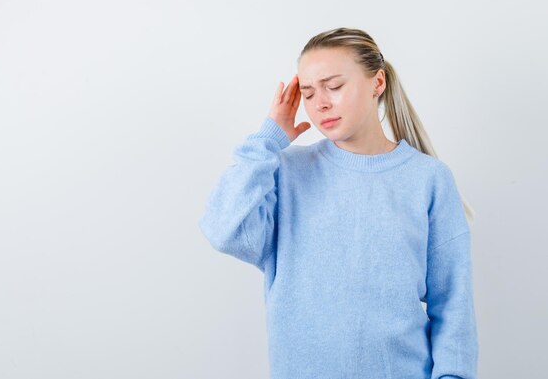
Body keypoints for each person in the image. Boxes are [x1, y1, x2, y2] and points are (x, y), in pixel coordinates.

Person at [197, 27, 478, 379]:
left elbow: (453, 302)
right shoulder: (286, 171)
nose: (321, 104)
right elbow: (225, 231)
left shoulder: (428, 179)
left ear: (377, 83)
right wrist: (268, 140)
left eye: (334, 86)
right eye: (310, 93)